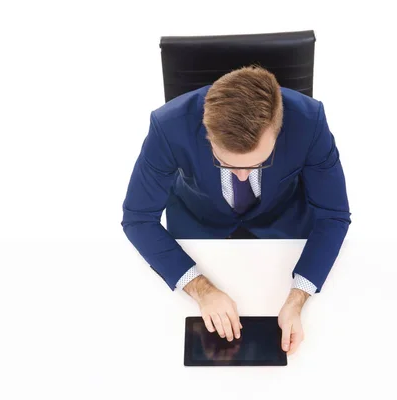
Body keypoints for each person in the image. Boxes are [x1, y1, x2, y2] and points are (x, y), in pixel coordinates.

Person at [121, 65, 351, 355]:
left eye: (256, 163)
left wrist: (297, 298)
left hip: (283, 224)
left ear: (278, 132)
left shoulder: (310, 121)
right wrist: (201, 289)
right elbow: (138, 218)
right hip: (199, 225)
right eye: (226, 163)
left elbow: (334, 214)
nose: (242, 176)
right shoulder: (168, 126)